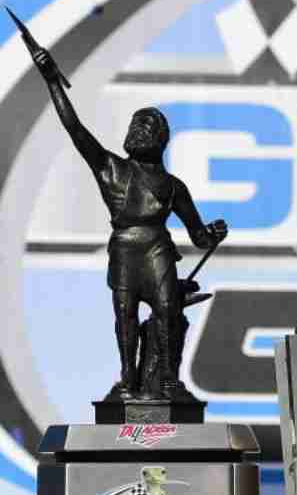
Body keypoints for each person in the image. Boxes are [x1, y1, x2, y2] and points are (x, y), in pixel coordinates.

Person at [30, 48, 226, 400]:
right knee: (126, 316)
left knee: (167, 311)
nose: (138, 131)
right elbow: (74, 129)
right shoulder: (112, 169)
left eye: (147, 127)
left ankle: (168, 380)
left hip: (157, 251)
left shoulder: (172, 186)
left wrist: (212, 234)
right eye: (136, 125)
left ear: (160, 140)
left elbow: (198, 235)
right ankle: (127, 381)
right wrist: (52, 81)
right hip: (124, 250)